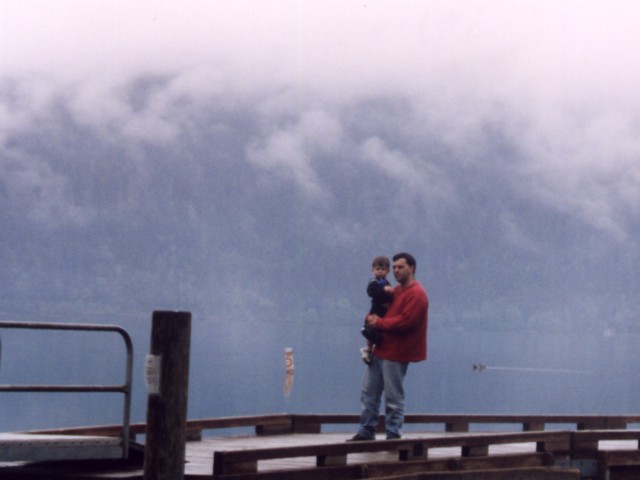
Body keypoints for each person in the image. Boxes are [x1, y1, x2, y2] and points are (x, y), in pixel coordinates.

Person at [349, 252, 429, 441]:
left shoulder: (417, 294)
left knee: (393, 397)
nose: (395, 270)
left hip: (398, 353)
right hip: (380, 348)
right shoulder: (395, 290)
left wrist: (378, 323)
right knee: (368, 393)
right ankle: (366, 431)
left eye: (400, 267)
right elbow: (380, 309)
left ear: (412, 268)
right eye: (394, 267)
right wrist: (370, 319)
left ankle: (393, 435)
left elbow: (405, 323)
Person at [360, 256, 394, 365]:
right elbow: (371, 292)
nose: (380, 271)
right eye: (377, 269)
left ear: (388, 271)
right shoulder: (373, 282)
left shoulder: (387, 283)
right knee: (371, 330)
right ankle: (367, 349)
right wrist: (383, 290)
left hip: (384, 312)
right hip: (376, 310)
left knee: (379, 333)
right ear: (373, 270)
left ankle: (374, 350)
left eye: (383, 269)